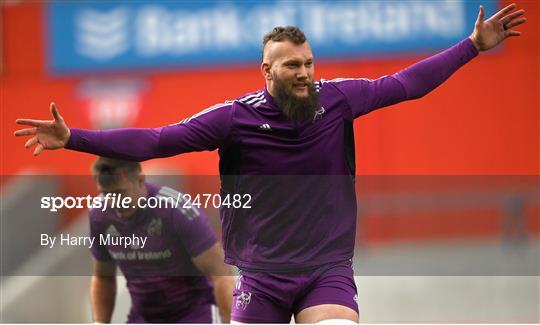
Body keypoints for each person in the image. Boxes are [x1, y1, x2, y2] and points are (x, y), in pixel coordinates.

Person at [15, 4, 526, 323]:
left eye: (308, 63)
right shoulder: (234, 119)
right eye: (292, 66)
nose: (304, 73)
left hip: (326, 270)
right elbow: (157, 140)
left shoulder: (340, 99)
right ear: (267, 70)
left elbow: (407, 84)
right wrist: (74, 138)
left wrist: (472, 47)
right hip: (260, 276)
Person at [88, 157, 233, 323]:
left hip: (194, 312)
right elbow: (103, 277)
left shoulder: (176, 209)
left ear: (140, 180)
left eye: (120, 193)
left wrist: (228, 321)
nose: (114, 202)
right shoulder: (99, 213)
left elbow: (221, 274)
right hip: (144, 316)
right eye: (106, 194)